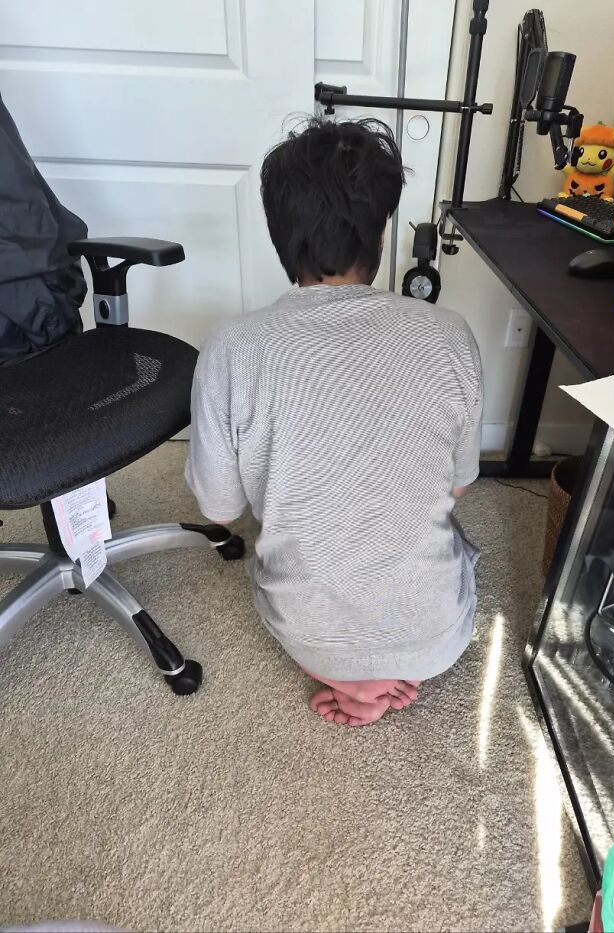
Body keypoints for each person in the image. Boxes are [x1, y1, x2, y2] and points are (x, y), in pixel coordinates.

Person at [186, 119, 482, 727]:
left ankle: (352, 678)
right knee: (448, 538)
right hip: (437, 636)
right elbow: (457, 485)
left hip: (311, 636)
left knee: (294, 573)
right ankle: (385, 668)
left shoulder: (232, 346)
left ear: (279, 235)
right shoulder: (449, 333)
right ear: (381, 231)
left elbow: (219, 509)